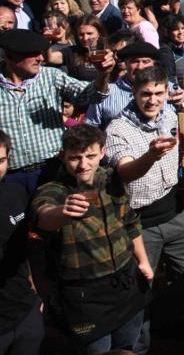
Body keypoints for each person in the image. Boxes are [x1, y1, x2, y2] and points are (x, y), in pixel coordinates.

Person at [32, 124, 159, 353]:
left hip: (125, 280)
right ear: (63, 156)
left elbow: (130, 221)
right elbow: (43, 215)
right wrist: (63, 211)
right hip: (85, 295)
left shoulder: (111, 180)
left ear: (102, 152)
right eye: (75, 158)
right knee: (97, 350)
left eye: (90, 156)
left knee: (129, 345)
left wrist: (143, 261)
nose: (83, 164)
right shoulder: (54, 189)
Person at [102, 66, 184, 351]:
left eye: (159, 93)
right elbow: (126, 173)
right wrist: (151, 155)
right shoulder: (117, 129)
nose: (153, 100)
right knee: (139, 291)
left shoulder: (170, 115)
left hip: (175, 212)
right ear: (134, 93)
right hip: (139, 224)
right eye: (146, 94)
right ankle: (138, 347)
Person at [0, 29, 114, 196]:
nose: (40, 58)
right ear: (10, 56)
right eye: (32, 54)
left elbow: (92, 95)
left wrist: (103, 74)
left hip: (52, 170)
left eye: (40, 53)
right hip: (10, 176)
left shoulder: (51, 77)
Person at [0, 129, 43, 355]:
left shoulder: (16, 192)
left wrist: (35, 294)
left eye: (1, 160)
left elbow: (27, 248)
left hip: (25, 311)